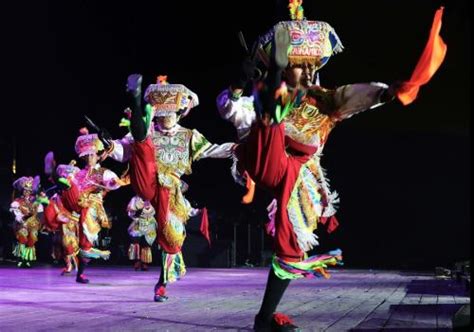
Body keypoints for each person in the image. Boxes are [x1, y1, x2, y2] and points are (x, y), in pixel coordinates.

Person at [216, 3, 405, 330]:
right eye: (298, 65)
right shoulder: (261, 98)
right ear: (286, 67)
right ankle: (271, 100)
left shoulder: (325, 102)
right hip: (262, 157)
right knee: (267, 116)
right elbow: (230, 109)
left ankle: (264, 317)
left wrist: (390, 92)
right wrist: (237, 84)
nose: (307, 71)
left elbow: (357, 97)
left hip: (299, 176)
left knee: (293, 247)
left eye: (311, 65)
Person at [109, 74, 233, 302]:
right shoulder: (147, 130)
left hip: (171, 192)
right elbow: (121, 151)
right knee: (141, 143)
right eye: (162, 113)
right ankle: (135, 100)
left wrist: (238, 149)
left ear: (180, 111)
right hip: (147, 182)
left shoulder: (189, 136)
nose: (166, 118)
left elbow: (213, 150)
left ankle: (162, 282)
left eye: (170, 113)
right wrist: (108, 145)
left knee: (172, 237)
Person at [44, 129, 126, 283]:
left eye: (92, 155)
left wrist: (114, 183)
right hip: (75, 206)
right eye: (86, 155)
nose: (89, 158)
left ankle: (80, 274)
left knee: (84, 245)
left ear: (97, 156)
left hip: (91, 208)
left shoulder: (103, 172)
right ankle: (55, 177)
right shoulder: (78, 173)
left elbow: (114, 182)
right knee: (62, 195)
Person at [10, 176, 48, 268]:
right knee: (22, 238)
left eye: (29, 190)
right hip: (22, 224)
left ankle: (27, 259)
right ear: (22, 191)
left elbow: (40, 213)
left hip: (33, 224)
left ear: (31, 192)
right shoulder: (17, 201)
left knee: (32, 239)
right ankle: (21, 259)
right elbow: (16, 213)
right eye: (25, 190)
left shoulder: (35, 201)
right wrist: (21, 218)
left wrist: (40, 224)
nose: (27, 192)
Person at [126, 195, 157, 271]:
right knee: (135, 242)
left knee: (146, 243)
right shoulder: (135, 199)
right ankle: (137, 261)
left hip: (149, 223)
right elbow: (130, 212)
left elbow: (155, 210)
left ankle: (145, 262)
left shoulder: (151, 198)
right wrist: (136, 215)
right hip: (138, 222)